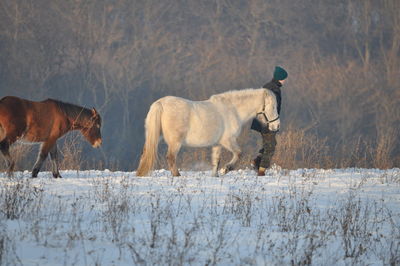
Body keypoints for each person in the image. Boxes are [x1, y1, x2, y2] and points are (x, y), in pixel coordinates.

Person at [250, 66, 288, 176]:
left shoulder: (268, 86)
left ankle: (257, 162)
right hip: (267, 123)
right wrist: (272, 123)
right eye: (284, 78)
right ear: (280, 78)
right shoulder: (274, 89)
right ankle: (261, 171)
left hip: (262, 121)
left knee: (270, 144)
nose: (285, 80)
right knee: (270, 146)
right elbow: (271, 108)